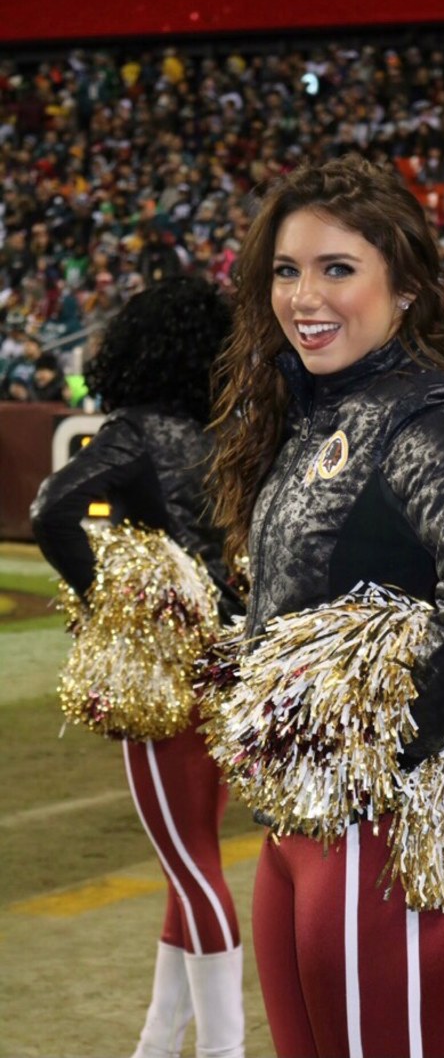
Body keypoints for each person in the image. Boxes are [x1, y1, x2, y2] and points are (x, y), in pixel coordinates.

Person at [208, 154, 444, 1058]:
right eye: (287, 269)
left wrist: (375, 752)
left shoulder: (424, 413)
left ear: (404, 289)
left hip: (372, 826)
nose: (303, 295)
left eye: (337, 269)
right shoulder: (309, 408)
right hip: (300, 822)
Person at [30, 277, 247, 1058]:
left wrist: (105, 598)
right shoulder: (237, 429)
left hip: (168, 671)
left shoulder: (136, 431)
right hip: (232, 662)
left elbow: (51, 510)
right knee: (191, 858)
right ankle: (159, 1041)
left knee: (191, 867)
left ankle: (223, 1050)